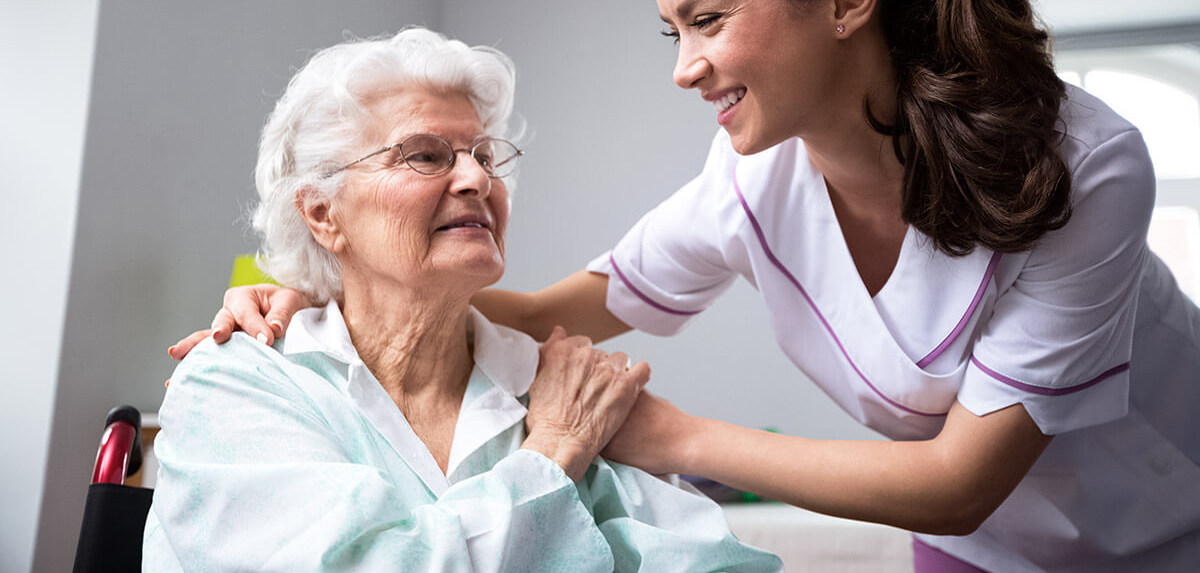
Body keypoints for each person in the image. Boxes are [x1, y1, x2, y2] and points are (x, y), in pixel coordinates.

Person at [175, 0, 1200, 573]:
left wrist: (661, 435)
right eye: (674, 31)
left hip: (1159, 511)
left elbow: (960, 480)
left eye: (708, 19)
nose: (684, 67)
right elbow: (538, 309)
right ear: (321, 209)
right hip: (968, 542)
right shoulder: (747, 176)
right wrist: (319, 293)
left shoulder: (1083, 162)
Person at [145, 28, 782, 572]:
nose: (478, 177)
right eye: (425, 155)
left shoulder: (559, 383)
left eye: (484, 156)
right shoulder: (236, 383)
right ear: (322, 214)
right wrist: (553, 453)